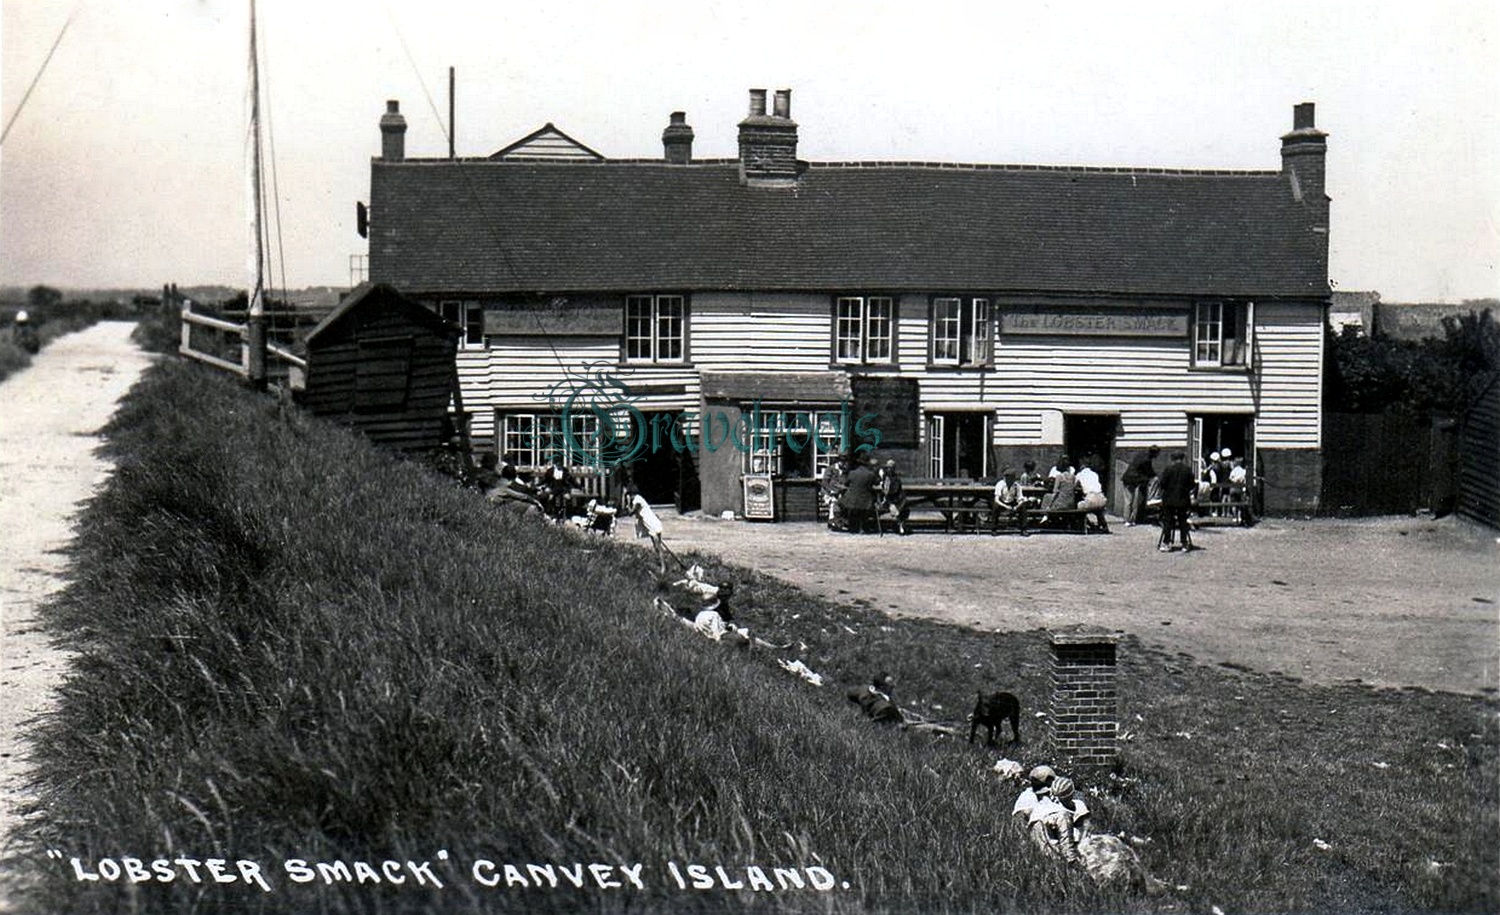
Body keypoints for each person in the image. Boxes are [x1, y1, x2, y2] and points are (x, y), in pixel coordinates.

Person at [1157, 451, 1196, 552]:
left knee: (1168, 521)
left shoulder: (1168, 469)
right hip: (1183, 499)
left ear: (1172, 459)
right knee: (1183, 521)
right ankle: (1184, 543)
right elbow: (1192, 485)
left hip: (1169, 500)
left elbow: (1162, 484)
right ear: (1182, 459)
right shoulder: (1188, 470)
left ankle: (1167, 543)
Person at [625, 486, 668, 573]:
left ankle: (663, 567)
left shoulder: (637, 500)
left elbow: (631, 512)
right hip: (650, 525)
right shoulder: (638, 499)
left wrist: (627, 506)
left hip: (652, 524)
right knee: (656, 546)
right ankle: (661, 564)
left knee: (658, 547)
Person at [839, 453, 880, 534]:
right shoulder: (870, 474)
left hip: (851, 501)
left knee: (839, 503)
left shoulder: (852, 473)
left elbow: (846, 483)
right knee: (864, 510)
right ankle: (862, 527)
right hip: (866, 502)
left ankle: (848, 523)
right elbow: (876, 483)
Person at [1121, 446, 1160, 526]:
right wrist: (1155, 476)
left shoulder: (1142, 455)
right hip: (1133, 479)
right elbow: (1149, 471)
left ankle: (1128, 520)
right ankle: (1130, 520)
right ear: (1155, 453)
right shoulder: (1147, 460)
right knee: (1131, 500)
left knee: (1129, 500)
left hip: (1130, 478)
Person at [991, 467, 1031, 536]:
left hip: (1012, 501)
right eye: (1008, 477)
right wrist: (1006, 506)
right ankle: (994, 529)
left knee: (1023, 507)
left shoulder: (1017, 486)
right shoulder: (1000, 484)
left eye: (1012, 477)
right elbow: (996, 500)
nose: (1010, 480)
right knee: (995, 507)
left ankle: (1024, 529)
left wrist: (1017, 507)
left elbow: (1020, 499)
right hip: (1002, 502)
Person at [1075, 455, 1109, 533]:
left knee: (1078, 507)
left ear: (1081, 467)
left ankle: (1086, 524)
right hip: (1102, 498)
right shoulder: (1095, 474)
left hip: (1091, 497)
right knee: (1098, 509)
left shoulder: (1079, 475)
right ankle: (1104, 525)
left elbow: (1074, 486)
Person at [877, 459, 911, 535]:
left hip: (895, 500)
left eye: (890, 468)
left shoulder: (894, 478)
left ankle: (900, 525)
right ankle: (900, 525)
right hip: (891, 499)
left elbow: (892, 491)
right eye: (887, 468)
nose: (888, 469)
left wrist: (883, 487)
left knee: (900, 508)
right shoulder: (887, 477)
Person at [540, 454, 575, 521]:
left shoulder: (565, 470)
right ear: (555, 464)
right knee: (550, 498)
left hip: (562, 488)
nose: (559, 465)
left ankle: (564, 514)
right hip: (553, 487)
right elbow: (545, 479)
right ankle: (552, 513)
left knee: (568, 498)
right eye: (557, 464)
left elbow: (571, 480)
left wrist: (578, 486)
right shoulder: (550, 471)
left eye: (560, 464)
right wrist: (539, 484)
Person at [821, 455, 849, 531]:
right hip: (828, 492)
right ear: (838, 461)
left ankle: (837, 521)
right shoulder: (831, 469)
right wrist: (831, 491)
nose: (842, 464)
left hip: (839, 493)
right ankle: (833, 522)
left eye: (844, 462)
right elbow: (824, 483)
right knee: (833, 502)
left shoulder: (845, 471)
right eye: (841, 462)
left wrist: (843, 488)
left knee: (841, 502)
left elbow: (844, 482)